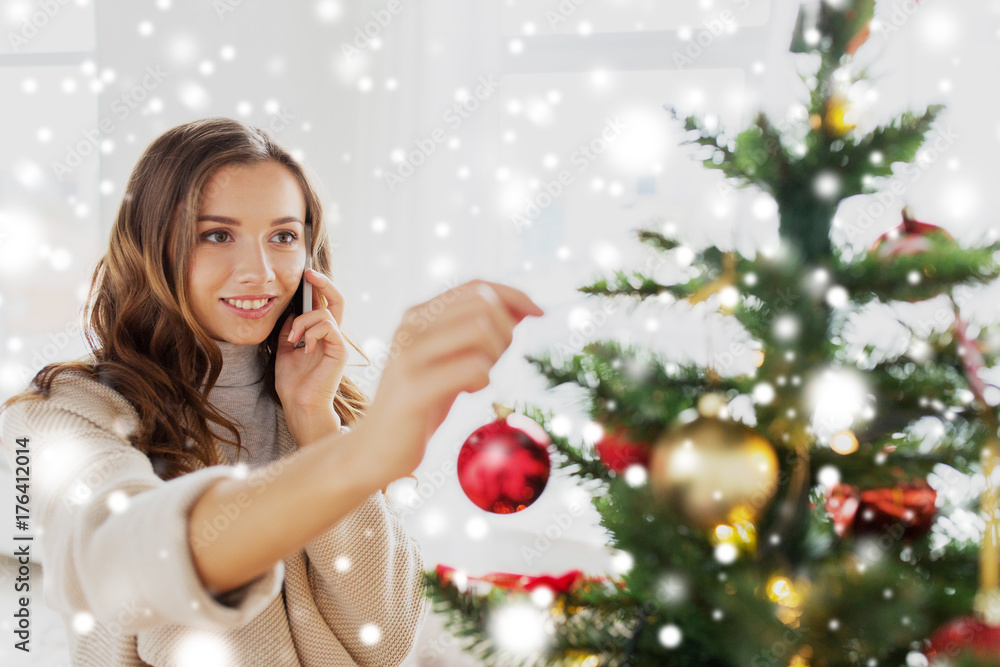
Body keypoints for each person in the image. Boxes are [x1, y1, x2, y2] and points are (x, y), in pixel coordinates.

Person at [0, 117, 544, 666]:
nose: (260, 273)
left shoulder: (318, 406)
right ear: (151, 244)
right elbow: (118, 564)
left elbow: (386, 636)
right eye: (216, 234)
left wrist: (316, 422)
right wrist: (360, 457)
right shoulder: (63, 413)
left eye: (283, 237)